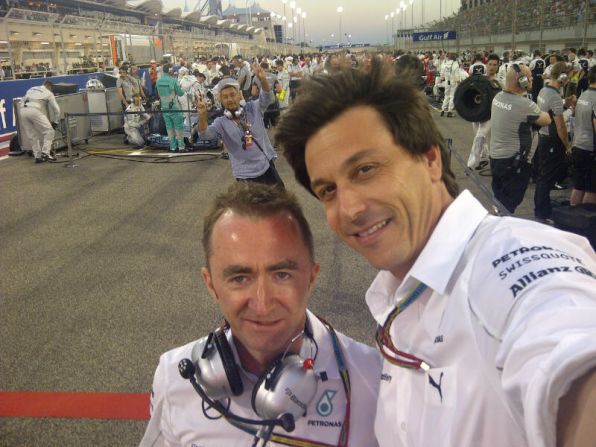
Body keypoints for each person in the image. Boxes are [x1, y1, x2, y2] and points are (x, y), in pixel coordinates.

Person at [275, 59, 596, 447]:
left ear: (430, 159)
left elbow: (564, 342)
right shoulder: (401, 291)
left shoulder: (510, 261)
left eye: (365, 169)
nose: (349, 209)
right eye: (328, 190)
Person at [139, 182, 381, 447]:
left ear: (312, 277)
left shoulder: (372, 378)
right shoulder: (175, 377)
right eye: (240, 278)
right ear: (211, 285)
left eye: (282, 275)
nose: (263, 304)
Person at [196, 63, 284, 187]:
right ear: (220, 101)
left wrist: (263, 80)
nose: (230, 99)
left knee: (279, 204)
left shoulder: (253, 107)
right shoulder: (221, 122)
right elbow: (204, 135)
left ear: (239, 95)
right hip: (244, 175)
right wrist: (202, 115)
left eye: (232, 95)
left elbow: (268, 98)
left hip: (265, 167)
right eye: (225, 97)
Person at [489, 63, 551, 213]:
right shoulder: (525, 105)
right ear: (522, 81)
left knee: (500, 200)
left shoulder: (498, 97)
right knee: (509, 204)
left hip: (496, 159)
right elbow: (546, 119)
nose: (531, 80)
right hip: (514, 163)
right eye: (529, 77)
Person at [534, 61, 574, 221]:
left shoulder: (544, 90)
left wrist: (564, 103)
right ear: (563, 77)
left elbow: (548, 110)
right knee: (547, 178)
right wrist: (568, 145)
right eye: (569, 76)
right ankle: (542, 213)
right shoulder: (555, 96)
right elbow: (561, 127)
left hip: (543, 137)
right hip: (552, 140)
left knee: (544, 175)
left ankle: (542, 208)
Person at [467, 53, 500, 170]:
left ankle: (471, 163)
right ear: (487, 64)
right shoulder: (480, 78)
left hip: (490, 114)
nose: (492, 67)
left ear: (497, 66)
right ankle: (485, 157)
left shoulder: (500, 81)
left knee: (480, 136)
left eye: (494, 65)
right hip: (477, 112)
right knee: (479, 136)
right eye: (490, 64)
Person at [570, 66, 596, 206]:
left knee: (578, 187)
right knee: (592, 190)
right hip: (589, 150)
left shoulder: (584, 94)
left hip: (578, 145)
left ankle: (573, 221)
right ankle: (586, 225)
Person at [21, 80, 60, 163]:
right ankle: (45, 153)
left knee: (32, 135)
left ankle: (38, 157)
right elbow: (57, 110)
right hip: (34, 111)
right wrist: (56, 122)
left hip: (22, 111)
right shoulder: (48, 92)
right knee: (49, 131)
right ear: (50, 87)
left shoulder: (32, 88)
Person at [156, 63, 186, 153]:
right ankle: (181, 147)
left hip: (164, 107)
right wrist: (182, 88)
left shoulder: (158, 81)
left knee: (169, 127)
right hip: (174, 107)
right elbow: (180, 93)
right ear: (170, 71)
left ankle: (172, 147)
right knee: (178, 127)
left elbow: (158, 94)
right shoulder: (173, 80)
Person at [440, 52, 461, 117]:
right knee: (452, 96)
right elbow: (456, 75)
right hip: (453, 82)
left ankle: (443, 110)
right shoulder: (455, 64)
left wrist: (442, 78)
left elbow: (442, 73)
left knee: (446, 95)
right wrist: (458, 82)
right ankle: (449, 111)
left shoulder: (445, 64)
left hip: (447, 81)